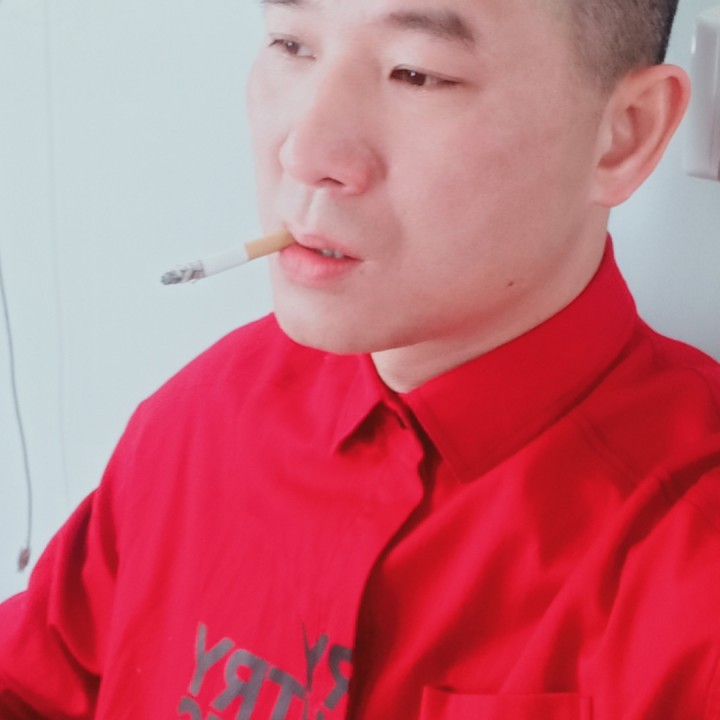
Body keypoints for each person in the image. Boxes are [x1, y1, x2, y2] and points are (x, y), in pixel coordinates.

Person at [1, 0, 719, 717]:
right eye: (291, 44)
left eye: (417, 73)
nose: (304, 154)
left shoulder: (690, 562)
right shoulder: (208, 411)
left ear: (625, 135)